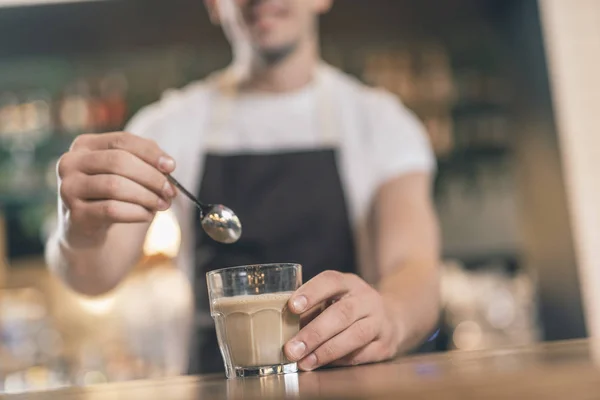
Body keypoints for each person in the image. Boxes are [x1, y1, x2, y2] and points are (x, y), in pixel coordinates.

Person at [46, 0, 441, 375]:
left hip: (347, 385)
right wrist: (78, 229)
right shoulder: (168, 126)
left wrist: (391, 316)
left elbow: (415, 269)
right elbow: (93, 276)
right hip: (214, 385)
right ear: (214, 4)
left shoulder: (381, 123)